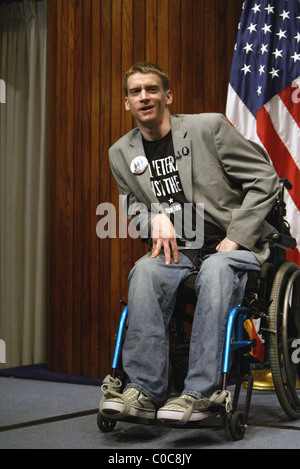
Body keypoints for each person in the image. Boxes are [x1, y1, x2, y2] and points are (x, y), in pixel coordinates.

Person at [100, 62, 279, 424]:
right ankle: (144, 391)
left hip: (231, 247)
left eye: (151, 89)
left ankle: (200, 392)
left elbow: (265, 178)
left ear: (168, 96)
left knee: (215, 267)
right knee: (145, 269)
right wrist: (154, 219)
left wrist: (237, 236)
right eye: (135, 92)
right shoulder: (121, 153)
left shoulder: (207, 128)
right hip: (179, 251)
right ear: (126, 103)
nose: (144, 97)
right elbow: (133, 208)